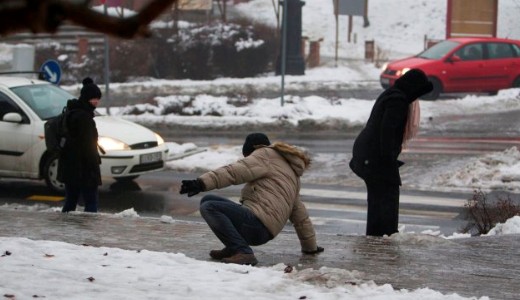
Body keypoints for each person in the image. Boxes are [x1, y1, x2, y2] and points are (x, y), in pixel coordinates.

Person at [179, 133, 324, 266]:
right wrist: (310, 248)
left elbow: (233, 172)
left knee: (209, 206)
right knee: (208, 199)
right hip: (264, 231)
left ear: (252, 149)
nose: (247, 159)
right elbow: (301, 218)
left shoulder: (264, 155)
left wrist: (201, 183)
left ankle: (243, 252)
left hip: (257, 225)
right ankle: (233, 248)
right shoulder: (290, 174)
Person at [349, 69, 433, 236]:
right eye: (418, 93)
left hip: (367, 154)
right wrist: (389, 163)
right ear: (413, 88)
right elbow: (387, 132)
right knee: (387, 198)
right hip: (374, 157)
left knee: (377, 200)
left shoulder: (391, 94)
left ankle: (376, 238)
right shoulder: (398, 101)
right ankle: (385, 238)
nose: (416, 98)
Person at [60, 77, 102, 213]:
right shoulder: (84, 118)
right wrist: (94, 165)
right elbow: (87, 145)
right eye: (93, 98)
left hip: (70, 165)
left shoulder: (72, 111)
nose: (96, 101)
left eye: (97, 98)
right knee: (91, 202)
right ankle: (88, 230)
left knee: (71, 201)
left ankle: (65, 226)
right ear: (86, 98)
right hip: (84, 168)